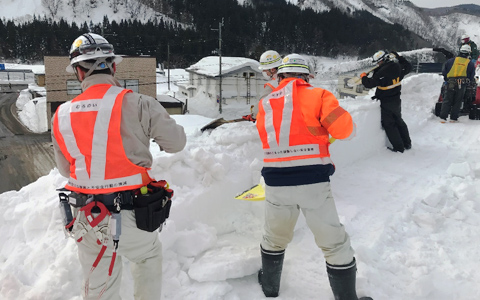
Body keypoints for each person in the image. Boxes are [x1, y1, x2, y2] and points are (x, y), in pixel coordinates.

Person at [51, 33, 186, 299]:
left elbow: (67, 171)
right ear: (113, 66)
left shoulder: (61, 114)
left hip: (87, 217)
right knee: (147, 258)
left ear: (79, 72)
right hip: (133, 214)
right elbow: (176, 143)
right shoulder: (139, 103)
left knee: (100, 285)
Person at [255, 53, 371, 300]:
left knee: (274, 236)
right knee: (333, 242)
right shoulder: (319, 95)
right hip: (313, 181)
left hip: (275, 182)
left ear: (281, 75)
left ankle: (269, 286)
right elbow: (344, 129)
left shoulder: (264, 103)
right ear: (307, 76)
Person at [361, 50, 412, 153]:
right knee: (399, 121)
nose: (378, 64)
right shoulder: (397, 66)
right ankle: (407, 143)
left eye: (378, 62)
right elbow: (408, 66)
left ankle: (398, 147)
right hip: (396, 98)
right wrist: (399, 57)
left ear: (383, 60)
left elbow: (369, 84)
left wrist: (364, 77)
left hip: (386, 101)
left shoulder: (382, 72)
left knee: (389, 124)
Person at [439, 44, 476, 123]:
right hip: (461, 84)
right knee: (458, 101)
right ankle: (453, 118)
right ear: (468, 53)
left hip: (450, 83)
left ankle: (443, 118)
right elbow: (471, 76)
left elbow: (444, 71)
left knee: (447, 100)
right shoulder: (470, 63)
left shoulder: (451, 60)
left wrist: (447, 79)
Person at [243, 50, 283, 122]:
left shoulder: (273, 84)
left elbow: (262, 104)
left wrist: (253, 115)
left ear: (272, 70)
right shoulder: (290, 79)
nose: (264, 73)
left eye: (265, 70)